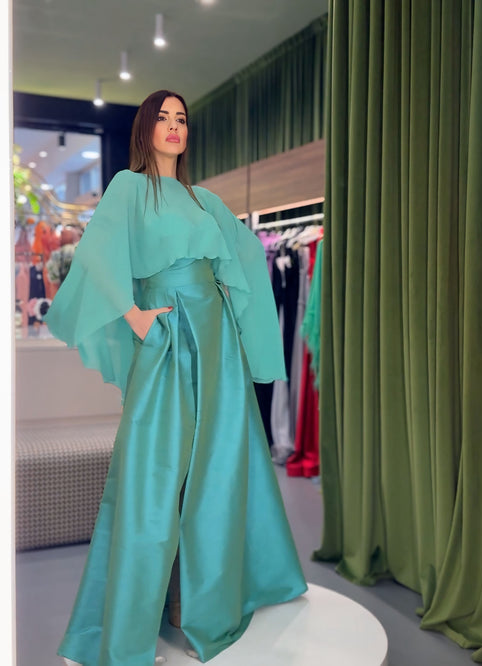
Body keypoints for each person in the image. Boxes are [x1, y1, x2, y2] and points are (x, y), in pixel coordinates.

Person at [45, 89, 308, 666]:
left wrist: (237, 315)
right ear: (145, 128)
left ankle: (214, 600)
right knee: (152, 472)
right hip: (167, 337)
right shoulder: (129, 187)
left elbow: (242, 260)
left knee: (223, 465)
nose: (173, 126)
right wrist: (132, 313)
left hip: (217, 343)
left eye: (181, 119)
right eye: (162, 117)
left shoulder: (204, 199)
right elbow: (95, 256)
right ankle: (127, 631)